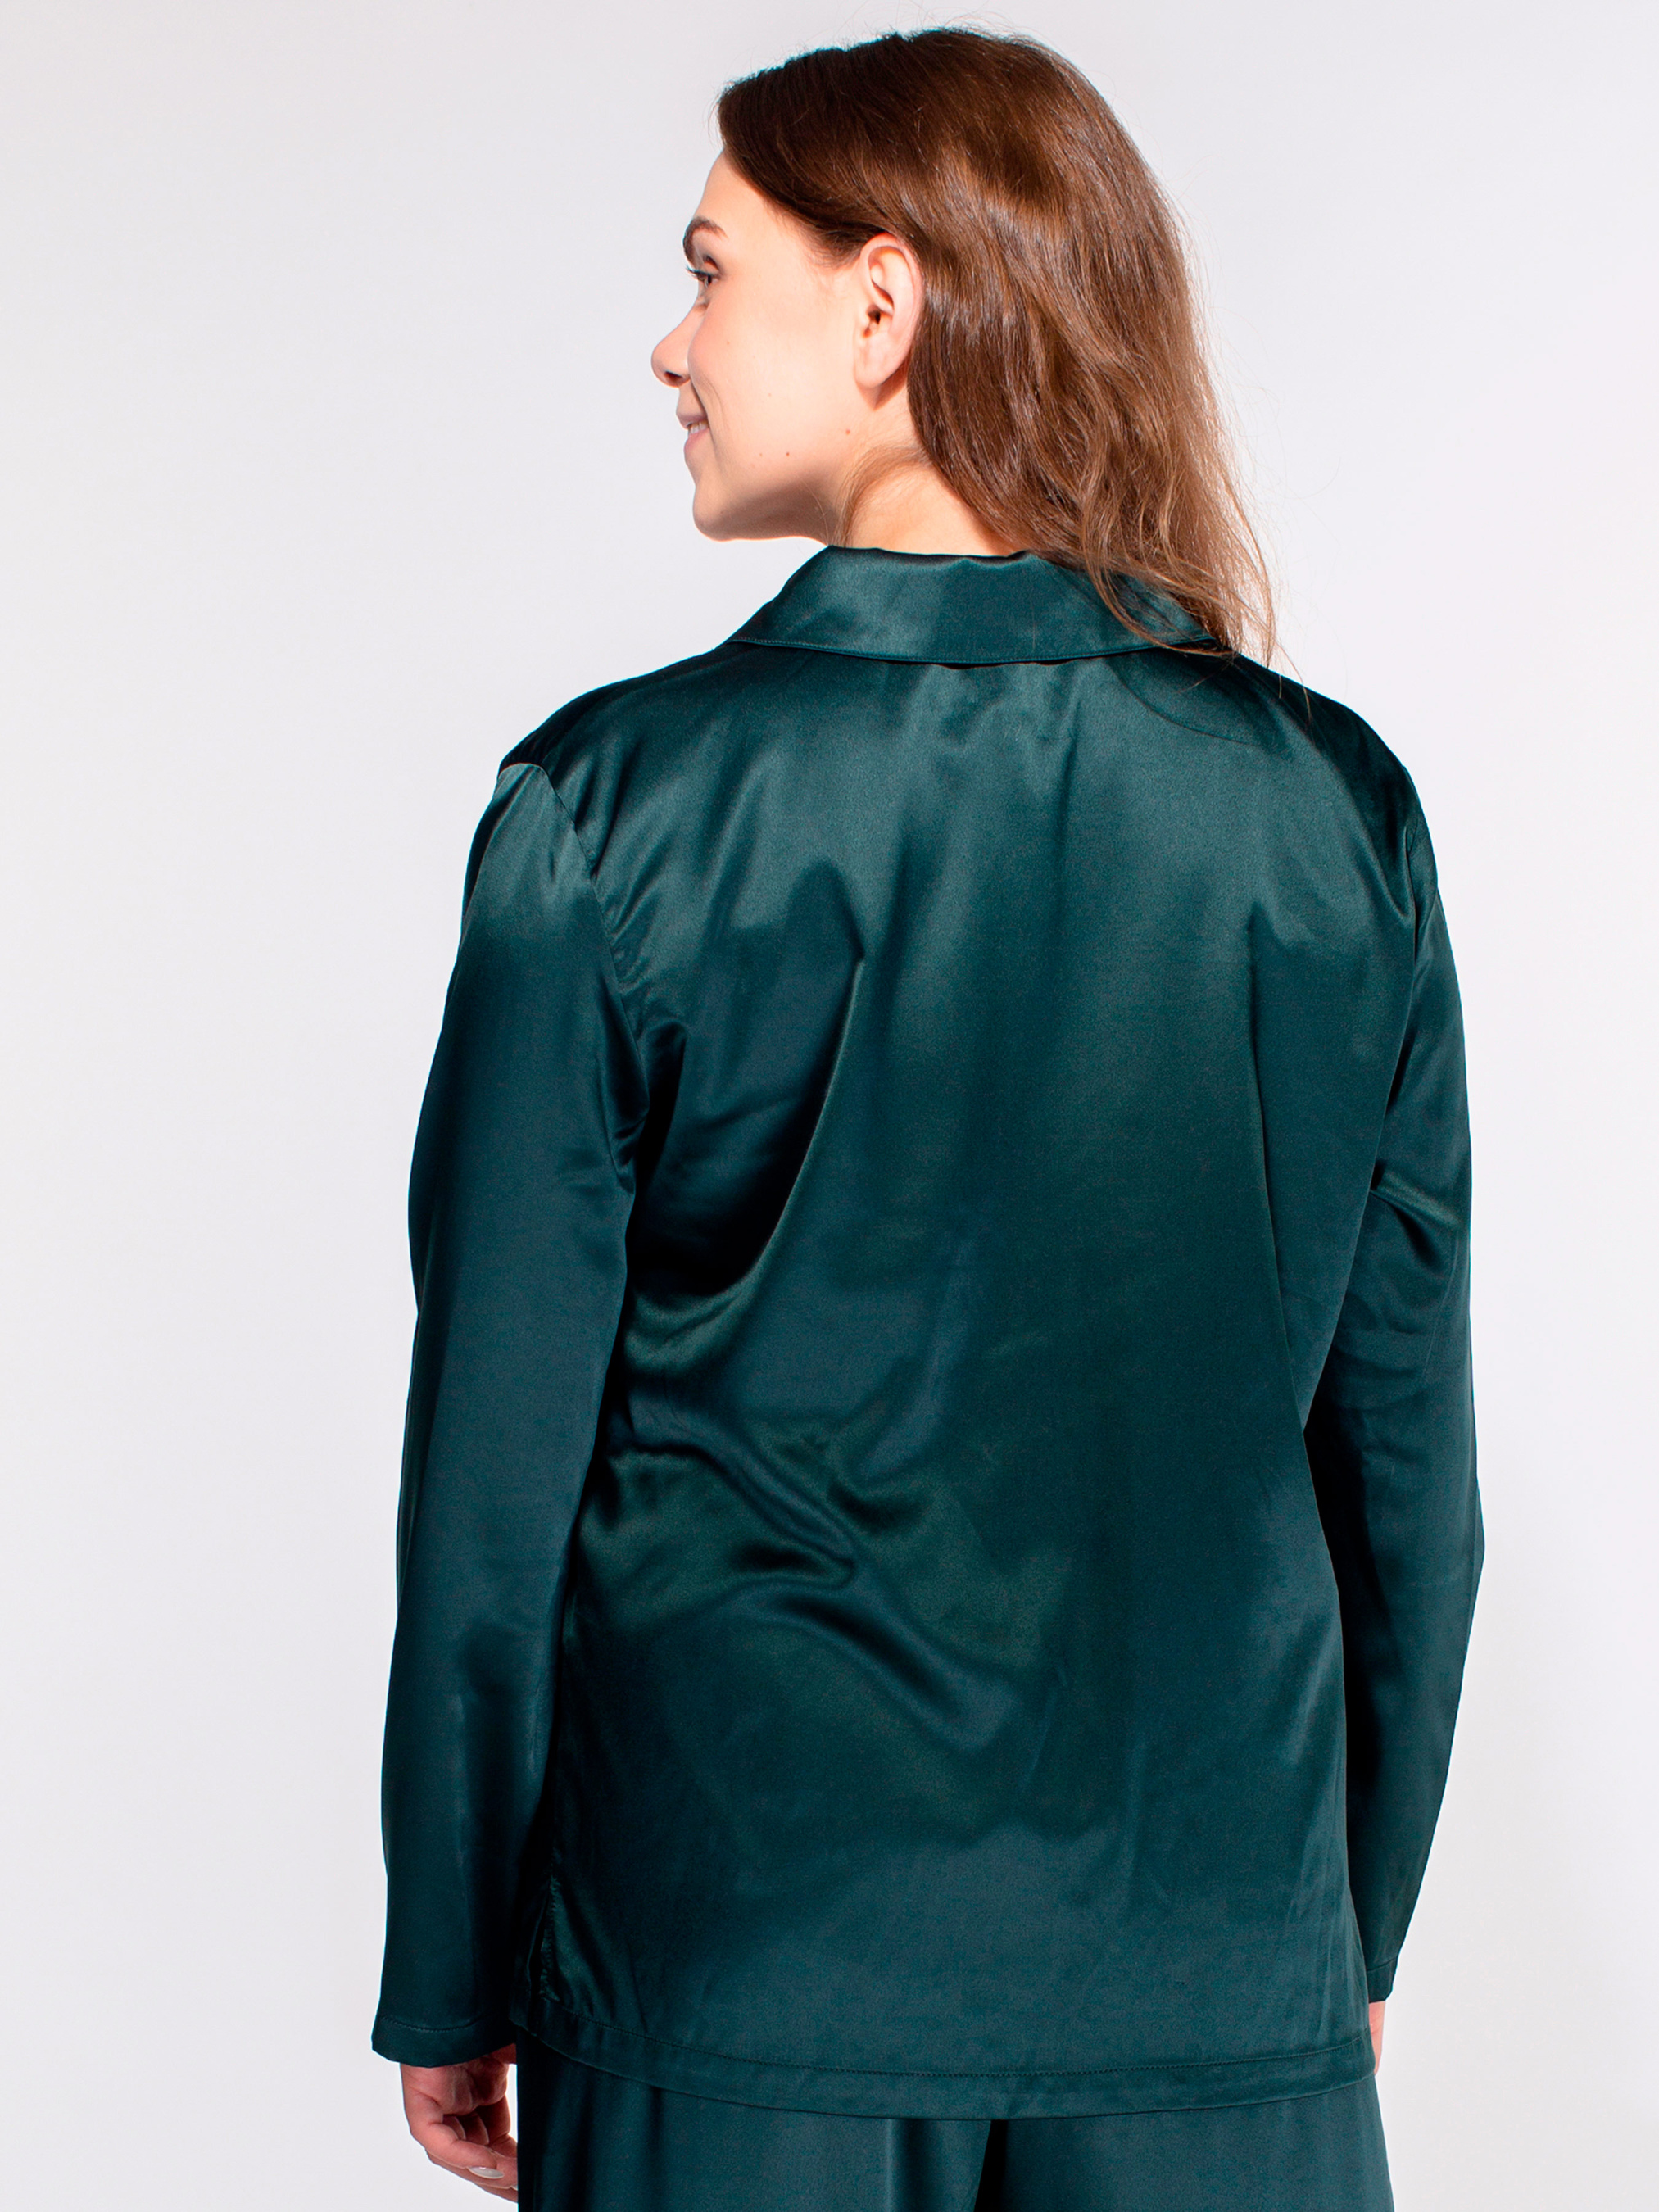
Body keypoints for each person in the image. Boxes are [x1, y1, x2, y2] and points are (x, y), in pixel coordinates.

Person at [371, 29, 1481, 2212]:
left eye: (712, 271)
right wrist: (1337, 1927)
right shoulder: (1333, 815)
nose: (671, 343)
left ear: (881, 305)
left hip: (733, 1976)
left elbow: (495, 1475)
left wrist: (454, 1954)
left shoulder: (609, 813)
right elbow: (1402, 1475)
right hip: (1207, 1967)